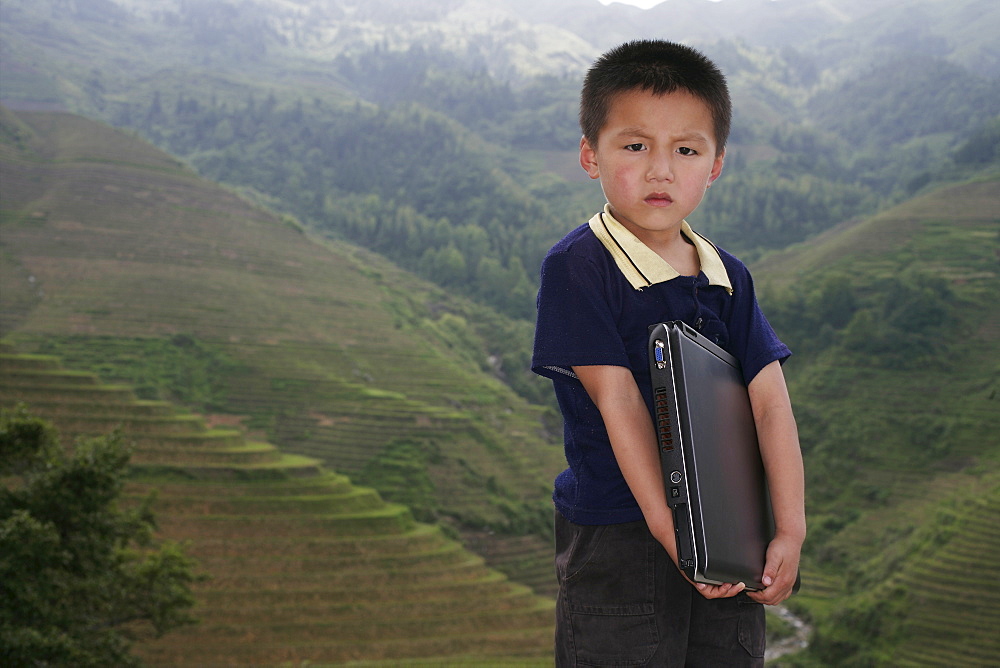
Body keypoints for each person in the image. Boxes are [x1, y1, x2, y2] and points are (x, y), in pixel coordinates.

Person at [531, 40, 806, 666]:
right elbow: (618, 400)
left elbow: (770, 406)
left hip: (731, 534)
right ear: (589, 155)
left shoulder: (728, 277)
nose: (661, 170)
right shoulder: (580, 267)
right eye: (635, 146)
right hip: (621, 532)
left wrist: (788, 528)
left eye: (686, 150)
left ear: (715, 165)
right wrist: (670, 529)